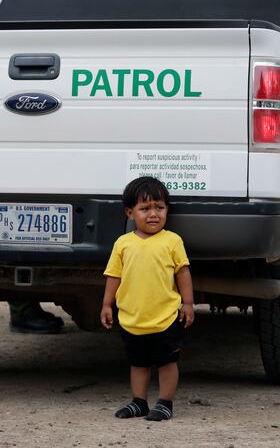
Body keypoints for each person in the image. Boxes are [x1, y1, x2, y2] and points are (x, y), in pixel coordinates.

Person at [100, 176, 195, 422]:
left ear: (167, 210)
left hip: (165, 318)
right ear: (130, 213)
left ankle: (165, 403)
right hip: (132, 318)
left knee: (167, 362)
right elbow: (113, 275)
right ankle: (139, 402)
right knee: (138, 363)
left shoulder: (172, 241)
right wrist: (106, 305)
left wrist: (188, 303)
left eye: (159, 207)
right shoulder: (123, 243)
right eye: (145, 209)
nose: (153, 214)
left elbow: (183, 273)